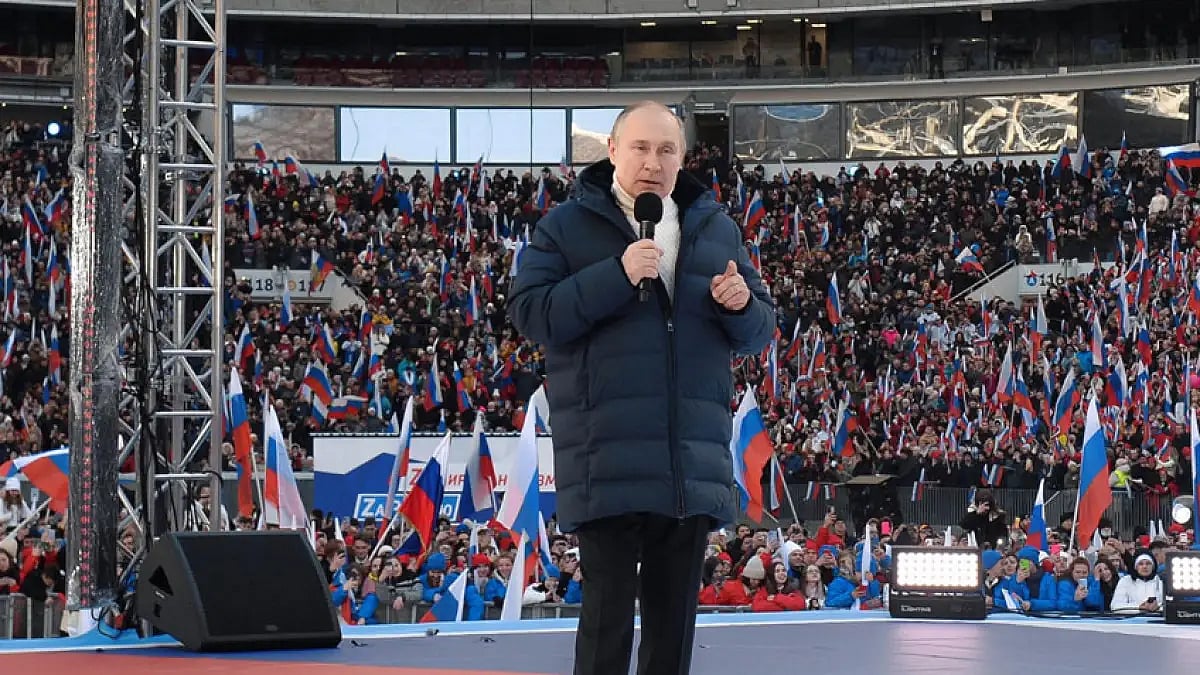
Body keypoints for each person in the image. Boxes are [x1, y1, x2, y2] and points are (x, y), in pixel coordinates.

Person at [509, 100, 775, 675]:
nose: (652, 162)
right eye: (640, 148)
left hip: (687, 467)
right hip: (608, 463)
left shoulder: (715, 226)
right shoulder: (564, 227)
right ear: (611, 151)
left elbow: (759, 332)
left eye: (666, 150)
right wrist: (617, 273)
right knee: (604, 629)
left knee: (672, 633)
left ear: (682, 159)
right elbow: (532, 314)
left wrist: (742, 305)